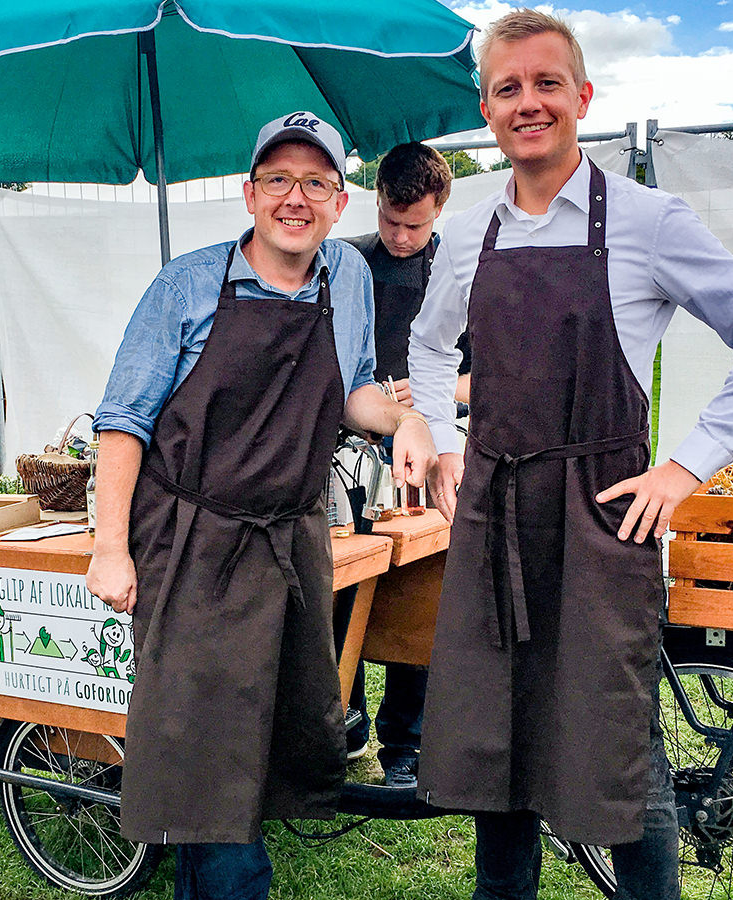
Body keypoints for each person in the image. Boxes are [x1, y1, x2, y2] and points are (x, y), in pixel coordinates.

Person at [408, 12, 733, 899]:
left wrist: (687, 464)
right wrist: (442, 441)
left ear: (583, 97)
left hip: (600, 517)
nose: (529, 103)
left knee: (617, 749)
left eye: (548, 83)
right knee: (495, 748)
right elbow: (429, 348)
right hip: (497, 516)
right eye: (509, 88)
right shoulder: (468, 235)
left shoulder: (647, 221)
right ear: (487, 109)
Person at [87, 111, 436, 900]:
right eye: (278, 179)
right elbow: (122, 421)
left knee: (271, 732)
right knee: (201, 748)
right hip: (191, 540)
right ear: (248, 194)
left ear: (340, 202)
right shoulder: (185, 284)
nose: (295, 198)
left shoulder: (346, 277)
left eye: (316, 182)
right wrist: (111, 545)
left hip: (290, 537)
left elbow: (354, 393)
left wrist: (406, 418)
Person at [336, 142, 464, 787]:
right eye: (391, 219)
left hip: (431, 448)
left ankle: (406, 743)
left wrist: (432, 391)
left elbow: (487, 373)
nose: (401, 235)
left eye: (415, 224)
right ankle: (346, 710)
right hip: (346, 449)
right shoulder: (348, 261)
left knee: (419, 588)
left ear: (440, 208)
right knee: (340, 581)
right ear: (376, 200)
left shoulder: (462, 269)